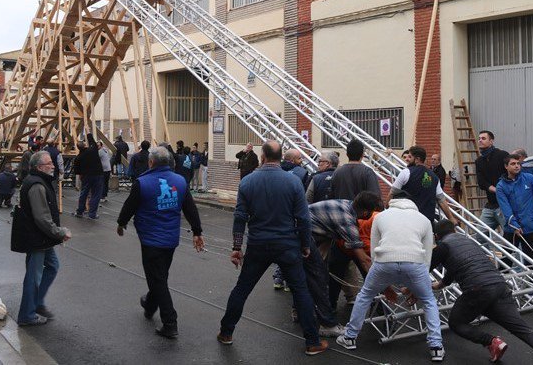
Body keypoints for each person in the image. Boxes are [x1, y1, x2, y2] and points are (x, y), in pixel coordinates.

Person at [217, 141, 328, 356]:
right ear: (281, 158)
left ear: (263, 156)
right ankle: (312, 342)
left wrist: (237, 247)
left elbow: (240, 217)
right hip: (288, 244)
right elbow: (303, 219)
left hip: (258, 244)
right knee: (300, 290)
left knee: (242, 289)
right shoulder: (294, 182)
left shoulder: (248, 182)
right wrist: (305, 244)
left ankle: (226, 332)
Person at [430, 220, 533, 365]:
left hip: (477, 289)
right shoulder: (468, 241)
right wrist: (439, 285)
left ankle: (491, 342)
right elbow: (454, 269)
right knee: (520, 328)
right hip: (499, 285)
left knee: (456, 323)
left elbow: (422, 270)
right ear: (454, 231)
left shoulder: (443, 246)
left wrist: (412, 288)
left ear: (436, 236)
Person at [336, 190, 445, 362]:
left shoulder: (380, 217)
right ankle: (436, 347)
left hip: (384, 261)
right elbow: (427, 255)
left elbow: (373, 249)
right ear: (412, 203)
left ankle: (350, 338)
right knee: (429, 301)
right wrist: (418, 284)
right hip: (415, 263)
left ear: (392, 201)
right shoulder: (424, 220)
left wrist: (380, 274)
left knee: (364, 295)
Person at [117, 146, 204, 339]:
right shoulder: (180, 181)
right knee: (160, 276)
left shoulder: (142, 182)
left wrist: (121, 224)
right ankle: (149, 304)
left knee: (157, 279)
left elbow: (129, 206)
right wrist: (197, 231)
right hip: (171, 239)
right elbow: (190, 208)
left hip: (150, 239)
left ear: (151, 162)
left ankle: (170, 322)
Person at [16, 151, 72, 326]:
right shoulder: (37, 185)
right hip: (37, 239)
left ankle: (36, 303)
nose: (53, 166)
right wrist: (59, 232)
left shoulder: (40, 181)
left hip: (42, 238)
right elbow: (42, 217)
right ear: (40, 167)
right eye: (49, 163)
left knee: (53, 266)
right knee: (34, 276)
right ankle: (27, 314)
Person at [309, 196, 374, 310]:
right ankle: (321, 312)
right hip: (308, 234)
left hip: (322, 234)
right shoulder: (347, 220)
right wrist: (379, 281)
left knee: (325, 274)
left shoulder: (348, 204)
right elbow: (364, 260)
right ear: (365, 212)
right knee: (312, 274)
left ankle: (326, 308)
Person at [496, 153, 533, 266]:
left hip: (530, 226)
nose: (516, 166)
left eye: (518, 163)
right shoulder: (501, 186)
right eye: (513, 164)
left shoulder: (529, 178)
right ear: (506, 166)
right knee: (506, 257)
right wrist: (514, 225)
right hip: (511, 229)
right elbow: (506, 208)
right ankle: (504, 279)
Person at [389, 145, 459, 225]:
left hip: (410, 220)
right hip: (427, 221)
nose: (407, 160)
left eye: (410, 157)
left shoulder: (406, 172)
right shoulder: (434, 177)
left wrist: (387, 208)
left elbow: (392, 193)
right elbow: (442, 200)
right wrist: (451, 218)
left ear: (417, 159)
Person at [475, 130, 509, 236]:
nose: (480, 140)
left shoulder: (502, 155)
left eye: (483, 138)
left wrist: (501, 189)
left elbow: (510, 174)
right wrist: (494, 189)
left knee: (510, 236)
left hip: (504, 204)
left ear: (491, 141)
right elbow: (481, 182)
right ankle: (484, 253)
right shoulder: (479, 161)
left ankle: (514, 253)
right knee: (480, 235)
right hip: (490, 205)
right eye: (479, 138)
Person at [73, 133, 103, 220]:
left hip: (86, 177)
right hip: (98, 175)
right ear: (85, 145)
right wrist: (89, 133)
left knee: (84, 194)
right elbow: (93, 142)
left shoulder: (78, 157)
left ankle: (80, 211)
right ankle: (92, 213)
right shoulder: (92, 150)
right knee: (96, 194)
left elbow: (77, 171)